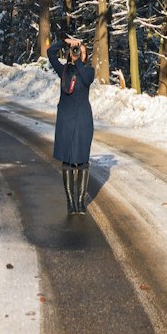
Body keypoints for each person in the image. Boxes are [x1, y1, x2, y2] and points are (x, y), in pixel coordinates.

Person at [47, 32, 95, 213]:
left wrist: (78, 60)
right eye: (75, 51)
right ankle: (70, 202)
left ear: (85, 56)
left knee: (82, 161)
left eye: (80, 52)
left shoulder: (88, 71)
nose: (76, 53)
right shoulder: (64, 71)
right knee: (67, 161)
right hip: (66, 120)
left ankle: (80, 202)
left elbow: (85, 78)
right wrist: (64, 42)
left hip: (83, 120)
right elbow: (50, 53)